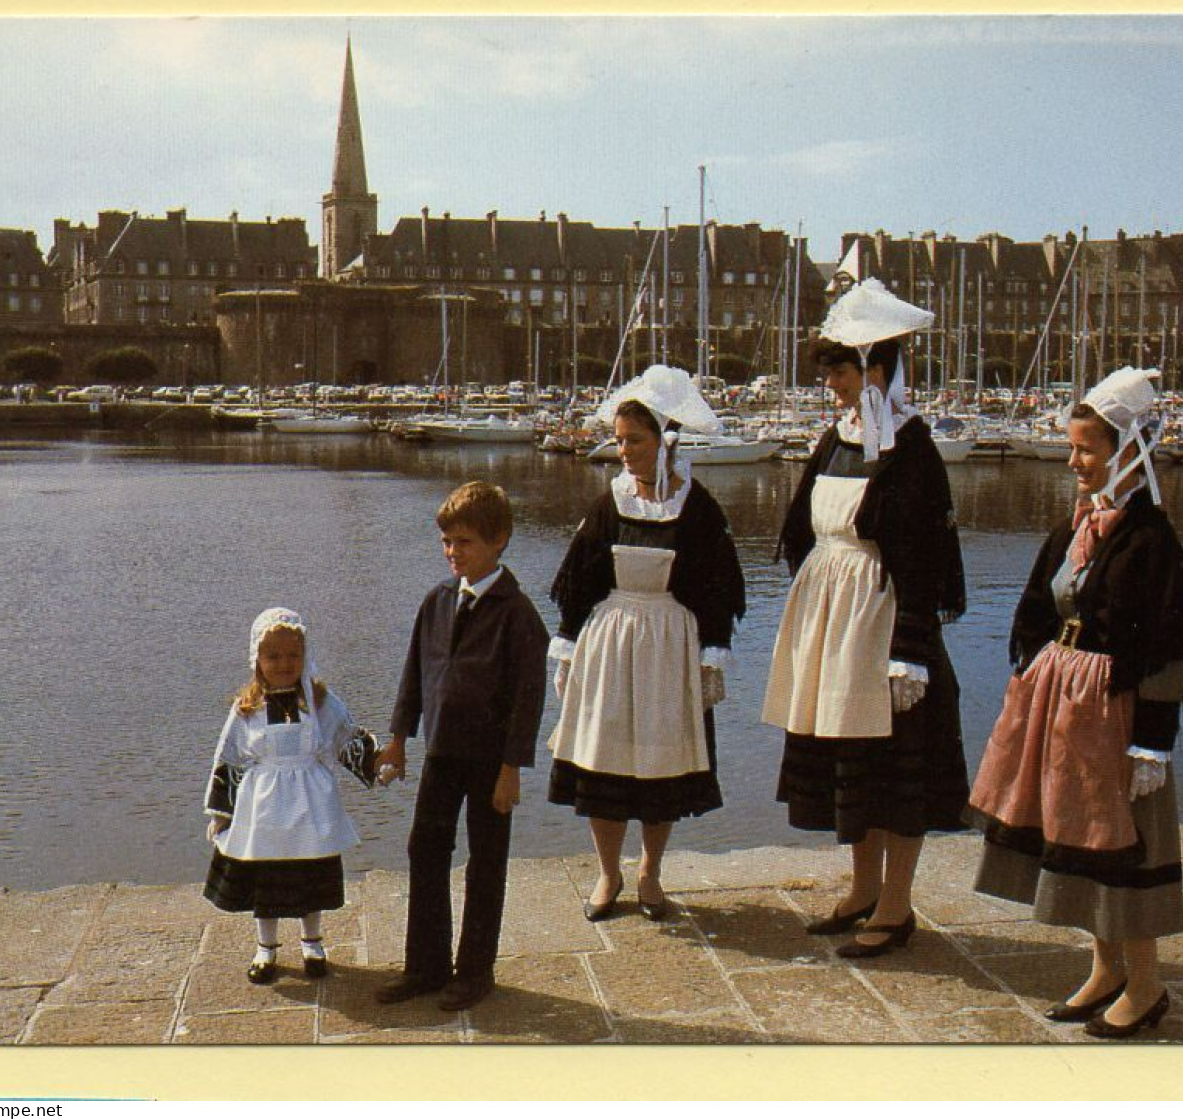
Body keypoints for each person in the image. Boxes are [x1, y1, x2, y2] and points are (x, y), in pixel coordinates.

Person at [965, 366, 1183, 1039]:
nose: (1073, 461)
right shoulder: (1081, 523)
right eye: (1072, 448)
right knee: (1074, 841)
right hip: (1070, 707)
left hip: (1120, 718)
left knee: (1123, 850)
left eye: (1086, 450)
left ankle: (1148, 984)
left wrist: (1151, 743)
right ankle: (1105, 971)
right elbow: (1045, 605)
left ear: (1127, 451)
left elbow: (1169, 649)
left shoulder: (1151, 541)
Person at [762, 278, 969, 959]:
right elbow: (805, 525)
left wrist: (910, 646)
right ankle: (860, 889)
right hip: (836, 618)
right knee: (852, 762)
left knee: (898, 764)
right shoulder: (838, 437)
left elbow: (923, 554)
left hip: (883, 625)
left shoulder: (911, 447)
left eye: (842, 372)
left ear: (878, 369)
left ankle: (898, 903)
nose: (833, 387)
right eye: (829, 374)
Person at [547, 365, 746, 922]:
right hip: (611, 643)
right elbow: (579, 581)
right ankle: (608, 873)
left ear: (665, 440)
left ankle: (650, 873)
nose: (624, 450)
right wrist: (567, 646)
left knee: (661, 768)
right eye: (619, 439)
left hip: (670, 646)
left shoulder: (697, 507)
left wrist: (712, 655)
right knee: (604, 765)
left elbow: (717, 587)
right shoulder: (610, 501)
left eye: (635, 440)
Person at [375, 482, 549, 1012]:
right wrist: (400, 738)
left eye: (465, 542)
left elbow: (527, 700)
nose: (453, 552)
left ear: (499, 541)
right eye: (447, 542)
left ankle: (475, 971)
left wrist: (512, 768)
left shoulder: (518, 615)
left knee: (486, 861)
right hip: (441, 754)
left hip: (490, 762)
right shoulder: (436, 601)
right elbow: (415, 674)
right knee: (424, 850)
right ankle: (426, 966)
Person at [203, 607, 379, 984]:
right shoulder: (246, 709)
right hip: (262, 809)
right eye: (273, 656)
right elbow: (230, 757)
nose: (284, 663)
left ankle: (312, 944)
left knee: (308, 874)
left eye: (293, 655)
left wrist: (378, 762)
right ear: (257, 660)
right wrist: (222, 812)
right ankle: (265, 950)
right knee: (267, 880)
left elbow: (344, 737)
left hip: (310, 803)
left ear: (306, 655)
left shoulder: (319, 703)